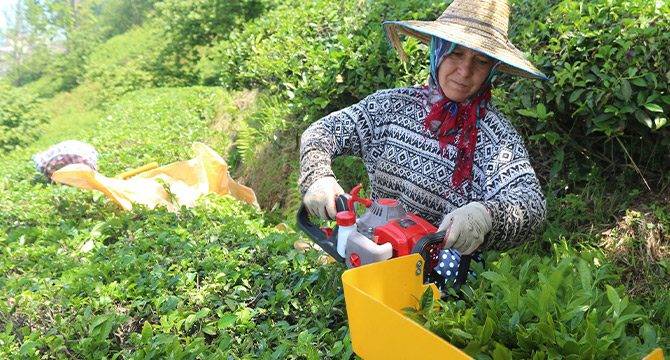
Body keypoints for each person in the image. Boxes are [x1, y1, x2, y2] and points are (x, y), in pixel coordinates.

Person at [299, 0, 547, 263]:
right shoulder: (391, 107)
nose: (464, 71)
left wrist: (485, 216)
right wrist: (318, 177)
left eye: (481, 61)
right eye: (455, 53)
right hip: (371, 260)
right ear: (437, 50)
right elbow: (322, 132)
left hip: (444, 287)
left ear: (492, 68)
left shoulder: (495, 137)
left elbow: (531, 203)